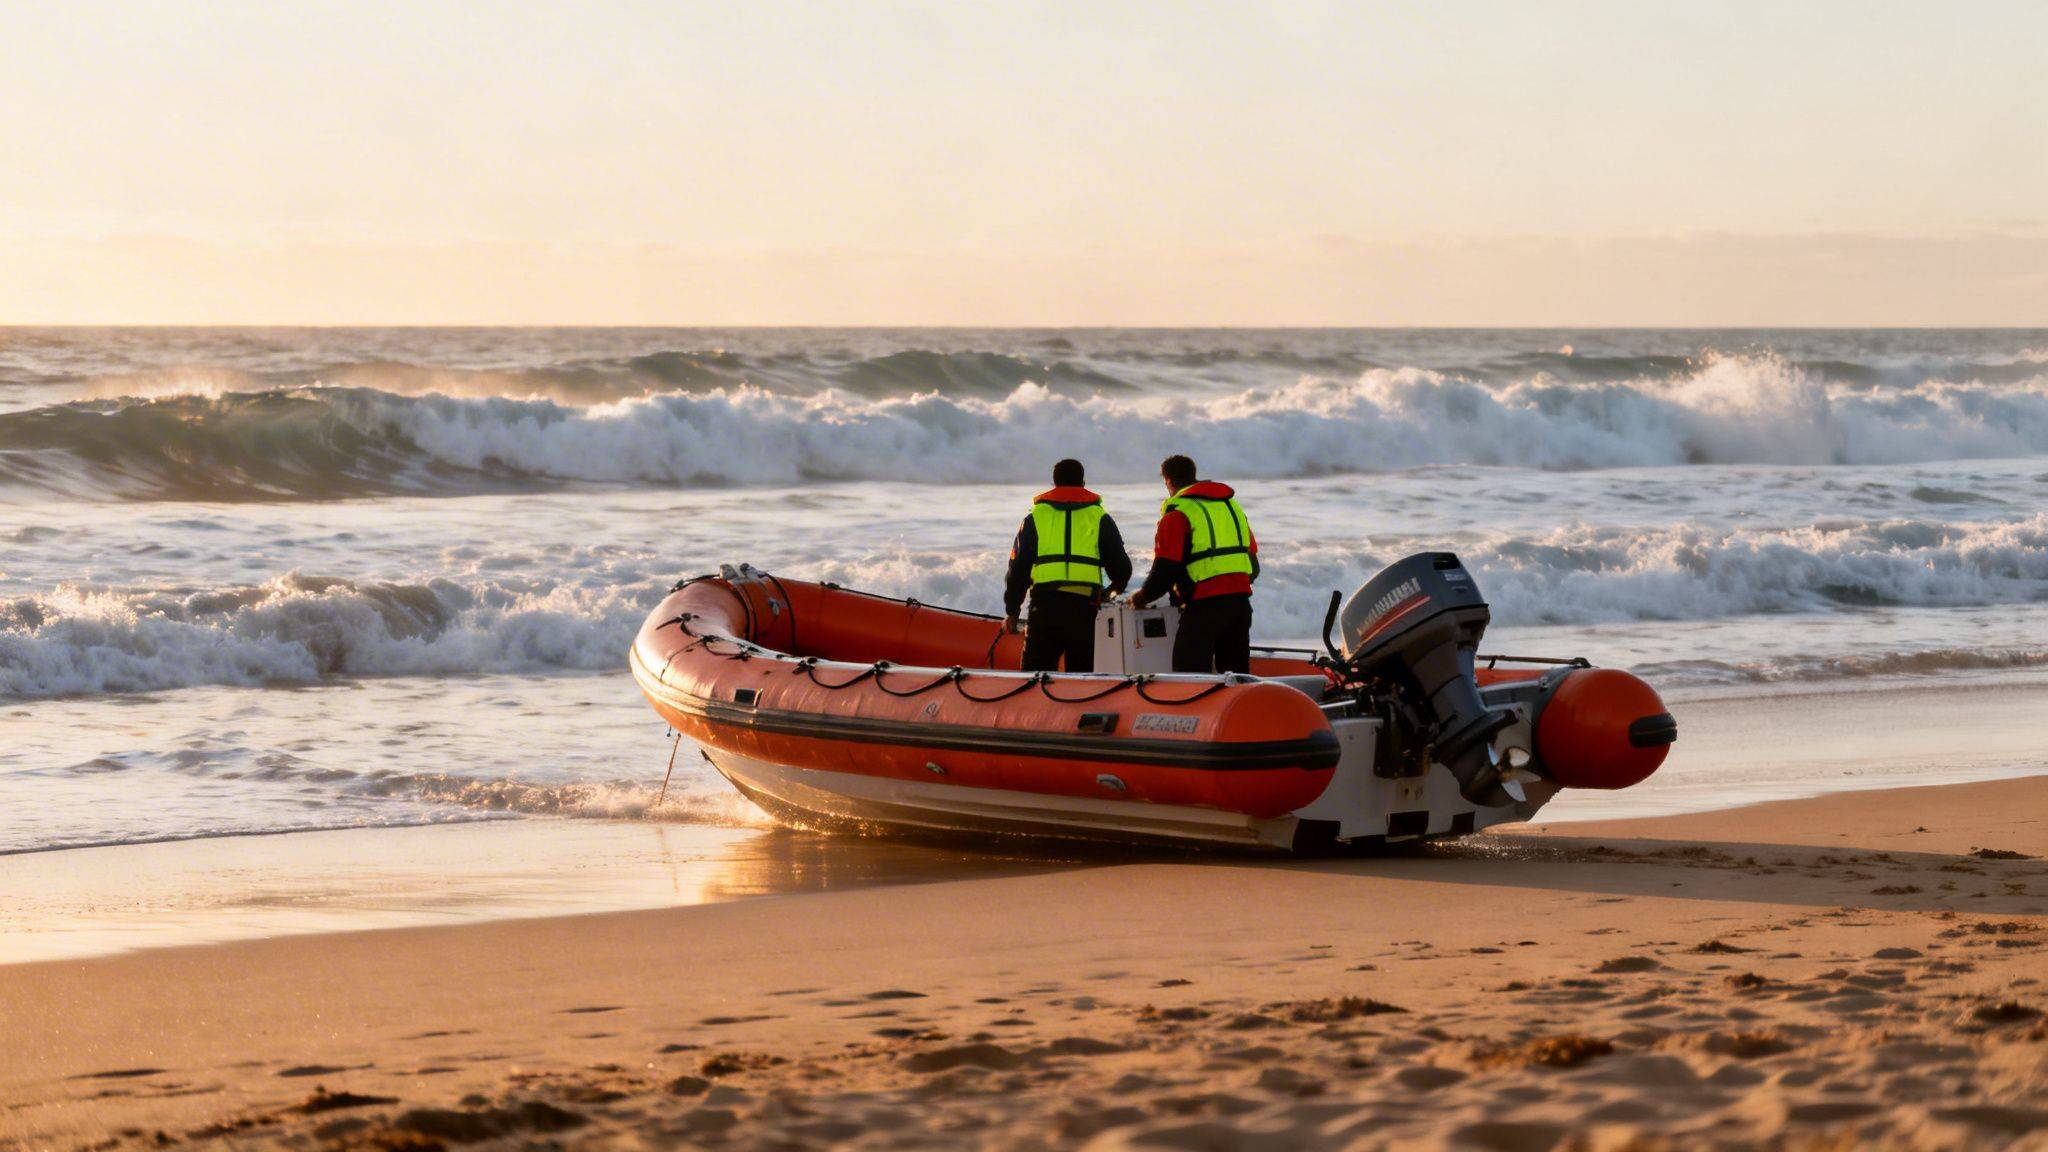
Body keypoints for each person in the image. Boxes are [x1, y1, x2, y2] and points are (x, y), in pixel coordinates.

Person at [1129, 455, 1258, 674]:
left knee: (1188, 672)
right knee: (1235, 674)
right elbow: (1253, 566)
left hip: (1205, 606)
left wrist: (1142, 597)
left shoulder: (1177, 514)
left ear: (1168, 481)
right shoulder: (1231, 508)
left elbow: (1166, 568)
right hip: (1240, 604)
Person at [1002, 459, 1132, 673]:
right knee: (1080, 675)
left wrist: (1012, 610)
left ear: (1054, 482)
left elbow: (1018, 569)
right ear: (1083, 482)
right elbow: (1121, 568)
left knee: (1035, 676)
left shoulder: (1035, 518)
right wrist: (1110, 591)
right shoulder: (1099, 517)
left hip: (1044, 607)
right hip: (1083, 608)